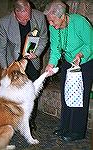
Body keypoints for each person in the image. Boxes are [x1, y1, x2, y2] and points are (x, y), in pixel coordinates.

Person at [44, 0, 93, 142]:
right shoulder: (54, 27)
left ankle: (77, 131)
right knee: (67, 95)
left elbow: (91, 43)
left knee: (79, 98)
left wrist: (81, 55)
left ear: (63, 16)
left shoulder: (80, 22)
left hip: (85, 63)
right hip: (68, 62)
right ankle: (65, 127)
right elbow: (55, 49)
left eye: (53, 21)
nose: (51, 25)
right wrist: (50, 64)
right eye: (49, 21)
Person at [0, 0, 48, 132]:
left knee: (31, 92)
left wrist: (36, 54)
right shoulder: (4, 22)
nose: (27, 21)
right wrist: (5, 68)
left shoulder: (40, 16)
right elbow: (1, 48)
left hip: (32, 60)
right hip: (13, 63)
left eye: (28, 17)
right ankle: (12, 120)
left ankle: (30, 121)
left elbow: (44, 38)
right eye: (22, 20)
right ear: (15, 13)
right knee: (13, 94)